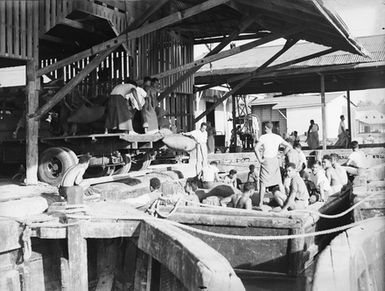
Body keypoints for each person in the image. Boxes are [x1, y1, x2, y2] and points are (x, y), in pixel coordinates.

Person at [254, 121, 292, 208]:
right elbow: (289, 146)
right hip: (275, 160)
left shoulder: (263, 137)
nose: (264, 129)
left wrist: (260, 159)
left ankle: (260, 203)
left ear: (266, 128)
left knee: (263, 183)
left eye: (265, 128)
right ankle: (285, 201)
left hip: (266, 160)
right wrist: (281, 155)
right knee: (279, 182)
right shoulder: (277, 137)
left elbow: (256, 148)